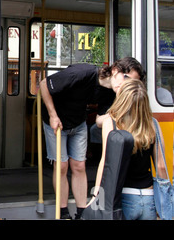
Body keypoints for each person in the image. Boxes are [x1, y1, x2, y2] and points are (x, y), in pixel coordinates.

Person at [39, 57, 144, 219]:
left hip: (78, 122)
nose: (127, 86)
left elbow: (99, 121)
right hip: (55, 121)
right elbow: (44, 84)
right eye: (127, 79)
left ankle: (82, 211)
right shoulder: (83, 72)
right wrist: (53, 116)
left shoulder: (112, 94)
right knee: (61, 166)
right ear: (115, 70)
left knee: (79, 165)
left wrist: (118, 115)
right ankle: (63, 211)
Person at [91, 78, 168, 220]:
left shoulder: (112, 123)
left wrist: (97, 193)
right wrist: (164, 201)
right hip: (148, 198)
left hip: (123, 197)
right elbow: (161, 167)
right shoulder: (153, 125)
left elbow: (105, 163)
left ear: (122, 99)